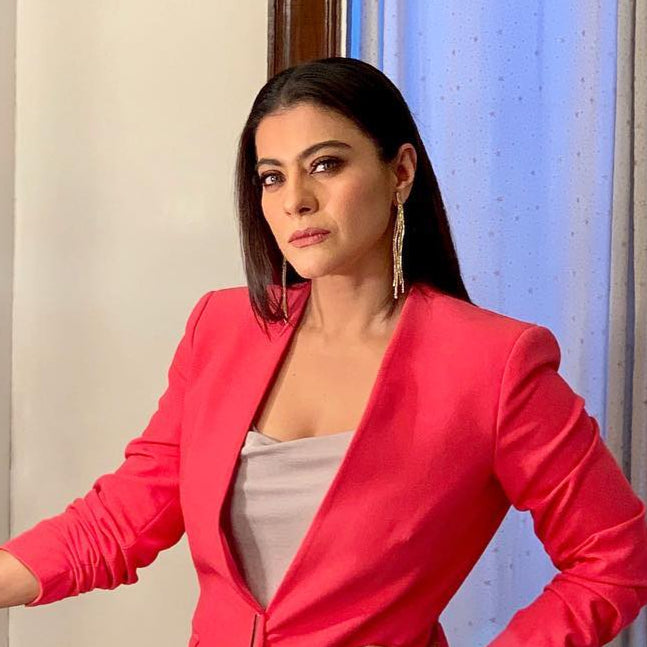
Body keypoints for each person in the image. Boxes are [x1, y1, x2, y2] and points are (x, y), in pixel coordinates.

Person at [1, 56, 647, 647]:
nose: (295, 201)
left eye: (325, 165)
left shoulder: (495, 364)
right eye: (271, 177)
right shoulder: (221, 328)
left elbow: (614, 558)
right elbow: (123, 516)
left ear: (400, 172)